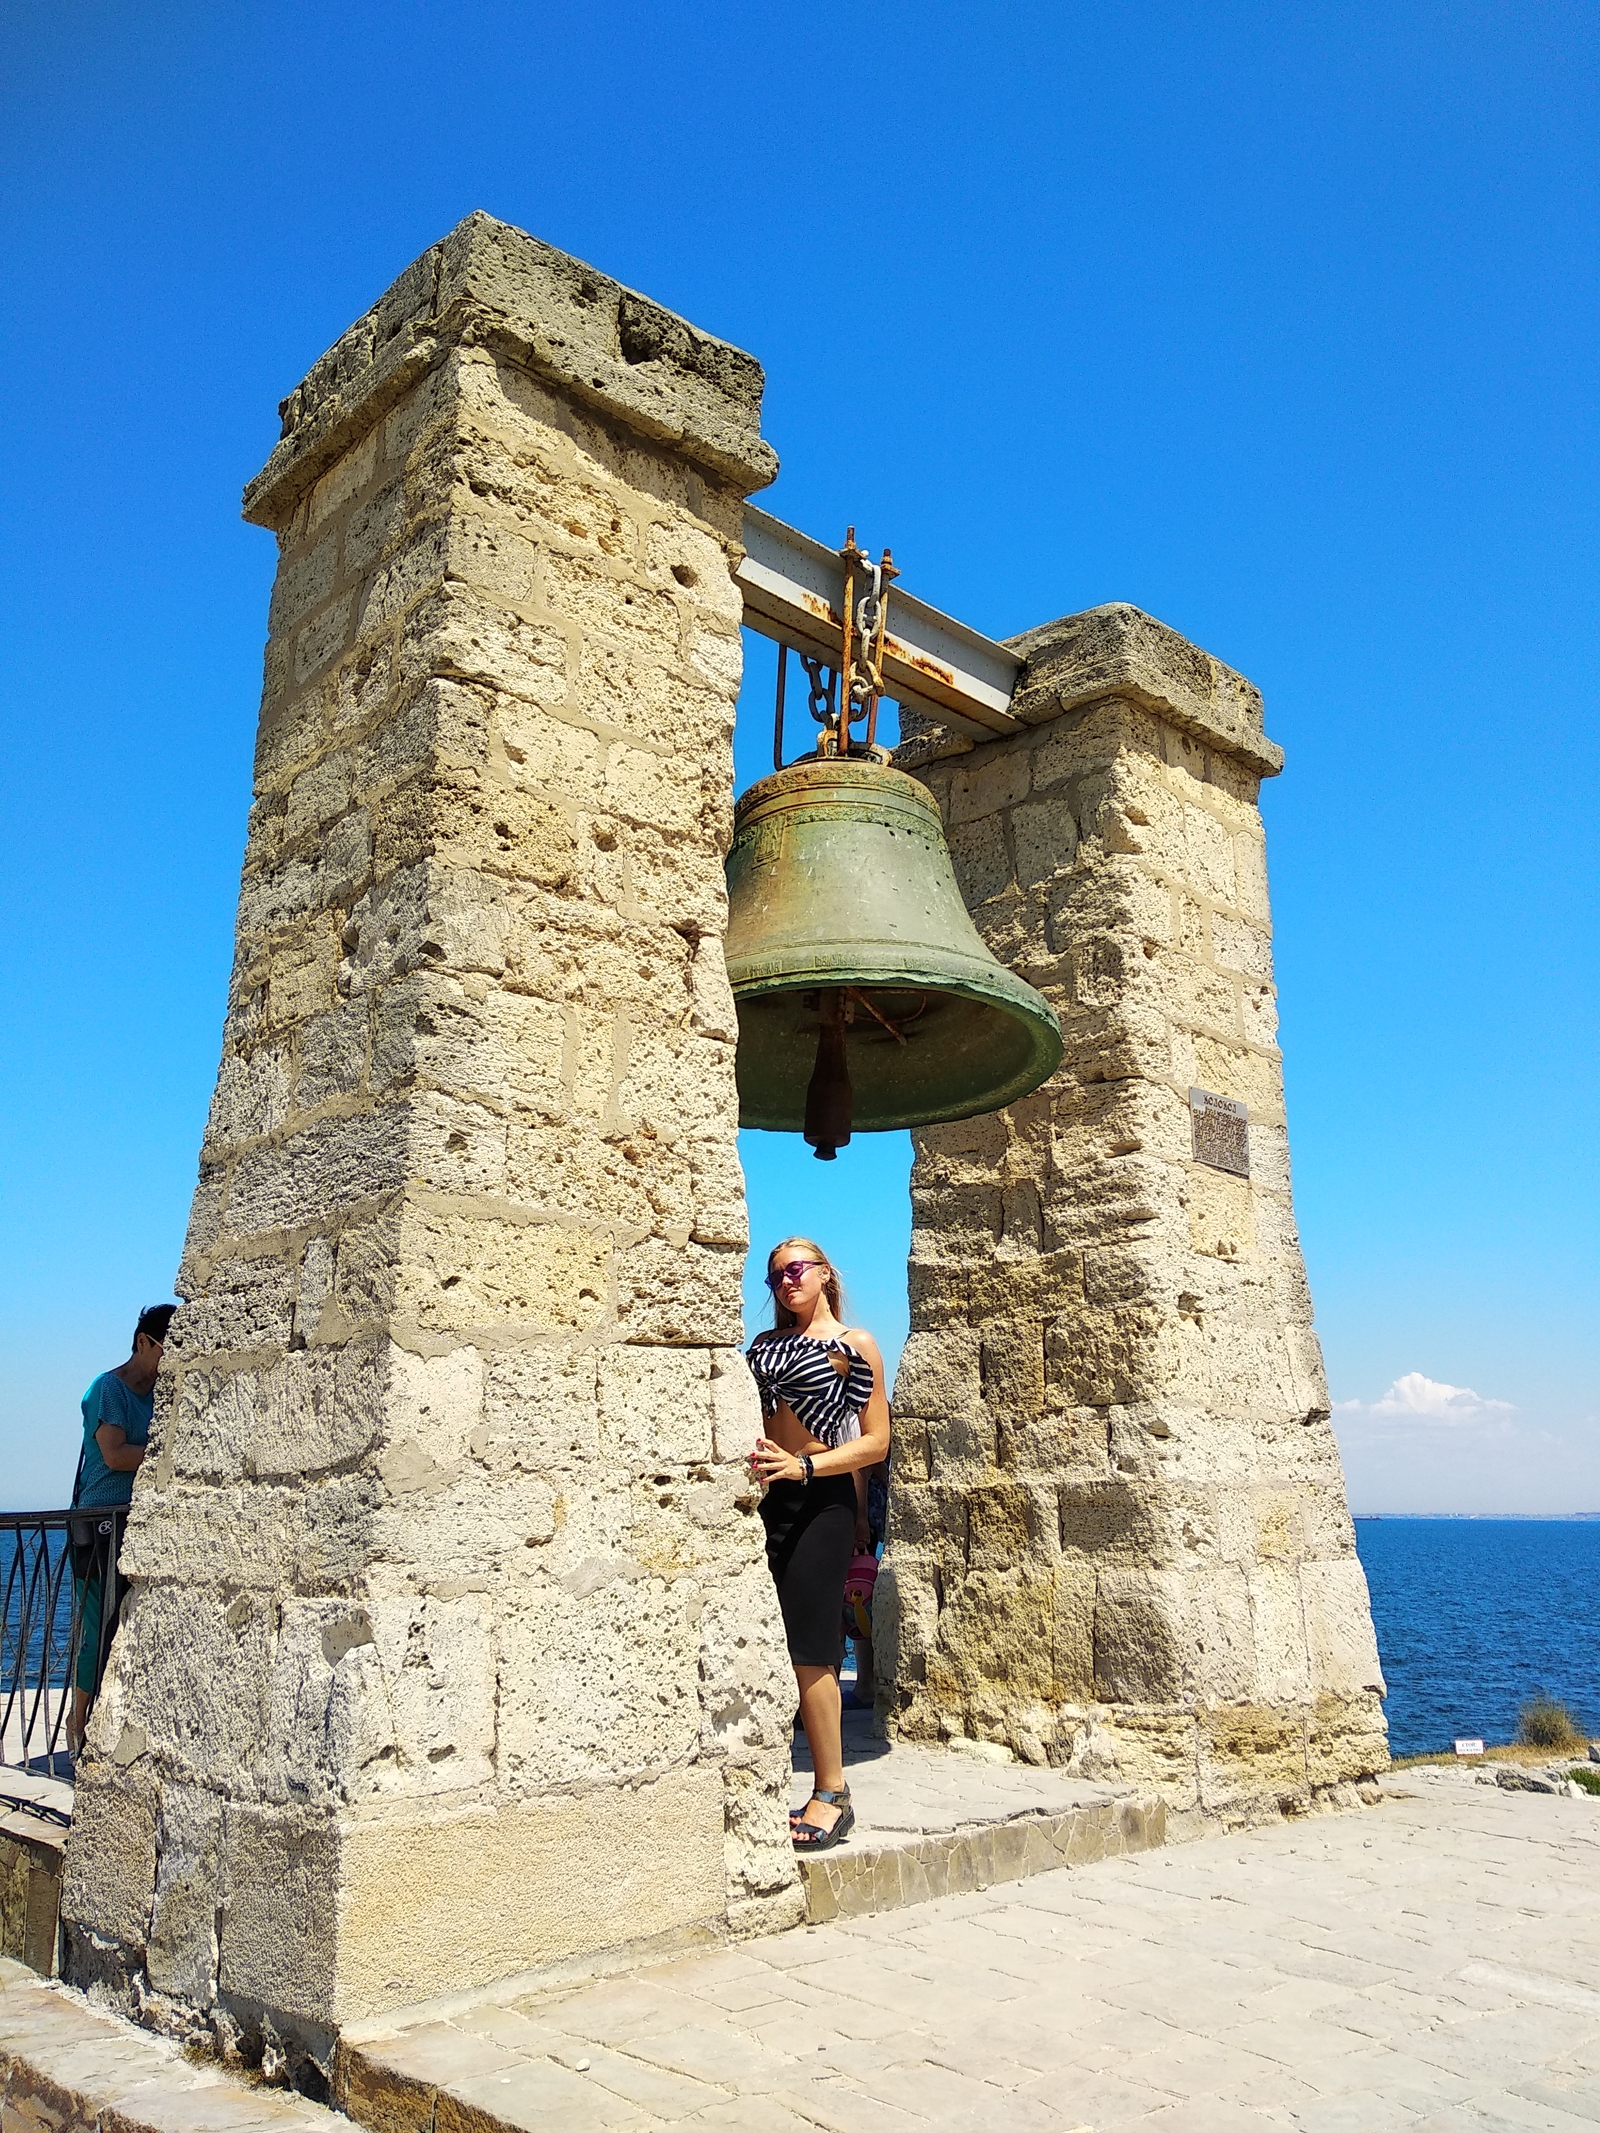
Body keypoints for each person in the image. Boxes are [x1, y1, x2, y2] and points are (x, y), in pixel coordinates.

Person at [746, 1239, 891, 1851]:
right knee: (762, 1639)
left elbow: (875, 1442)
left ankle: (831, 1791)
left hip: (817, 1500)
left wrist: (813, 1471)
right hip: (763, 1498)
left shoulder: (854, 1346)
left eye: (797, 1270)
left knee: (811, 1646)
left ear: (826, 1274)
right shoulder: (762, 1346)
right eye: (776, 1275)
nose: (786, 1282)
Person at [66, 1302, 174, 1757]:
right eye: (167, 1347)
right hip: (100, 1521)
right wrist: (168, 1456)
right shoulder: (107, 1389)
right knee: (99, 1624)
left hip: (138, 1520)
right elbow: (113, 1455)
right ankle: (77, 1727)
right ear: (144, 1342)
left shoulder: (163, 1393)